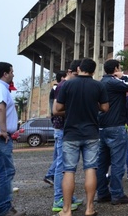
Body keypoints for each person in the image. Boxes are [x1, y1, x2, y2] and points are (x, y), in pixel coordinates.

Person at [54, 58, 109, 216]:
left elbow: (57, 108)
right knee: (91, 168)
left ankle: (66, 210)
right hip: (91, 133)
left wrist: (70, 108)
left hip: (71, 133)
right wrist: (94, 105)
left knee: (69, 171)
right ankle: (90, 208)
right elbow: (105, 107)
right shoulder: (98, 85)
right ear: (93, 71)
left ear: (78, 68)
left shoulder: (67, 84)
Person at [96, 59, 128, 205]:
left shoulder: (100, 83)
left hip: (102, 127)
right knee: (117, 162)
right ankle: (117, 194)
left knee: (102, 163)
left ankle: (102, 192)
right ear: (115, 69)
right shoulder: (113, 82)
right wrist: (124, 76)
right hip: (116, 125)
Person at [0, 62, 26, 216]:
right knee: (4, 173)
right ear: (5, 73)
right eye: (12, 72)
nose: (13, 75)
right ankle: (4, 210)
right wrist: (3, 130)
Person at [48, 63, 84, 213]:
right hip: (63, 129)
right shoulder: (63, 86)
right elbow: (56, 110)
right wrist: (74, 110)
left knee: (66, 165)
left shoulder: (67, 85)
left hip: (66, 129)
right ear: (70, 72)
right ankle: (58, 199)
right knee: (62, 165)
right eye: (76, 75)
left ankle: (67, 197)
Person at [44, 71, 66, 187]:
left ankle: (52, 175)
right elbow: (55, 109)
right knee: (60, 157)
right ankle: (50, 174)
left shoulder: (55, 89)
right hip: (60, 125)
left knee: (57, 154)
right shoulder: (57, 89)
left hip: (57, 125)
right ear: (62, 77)